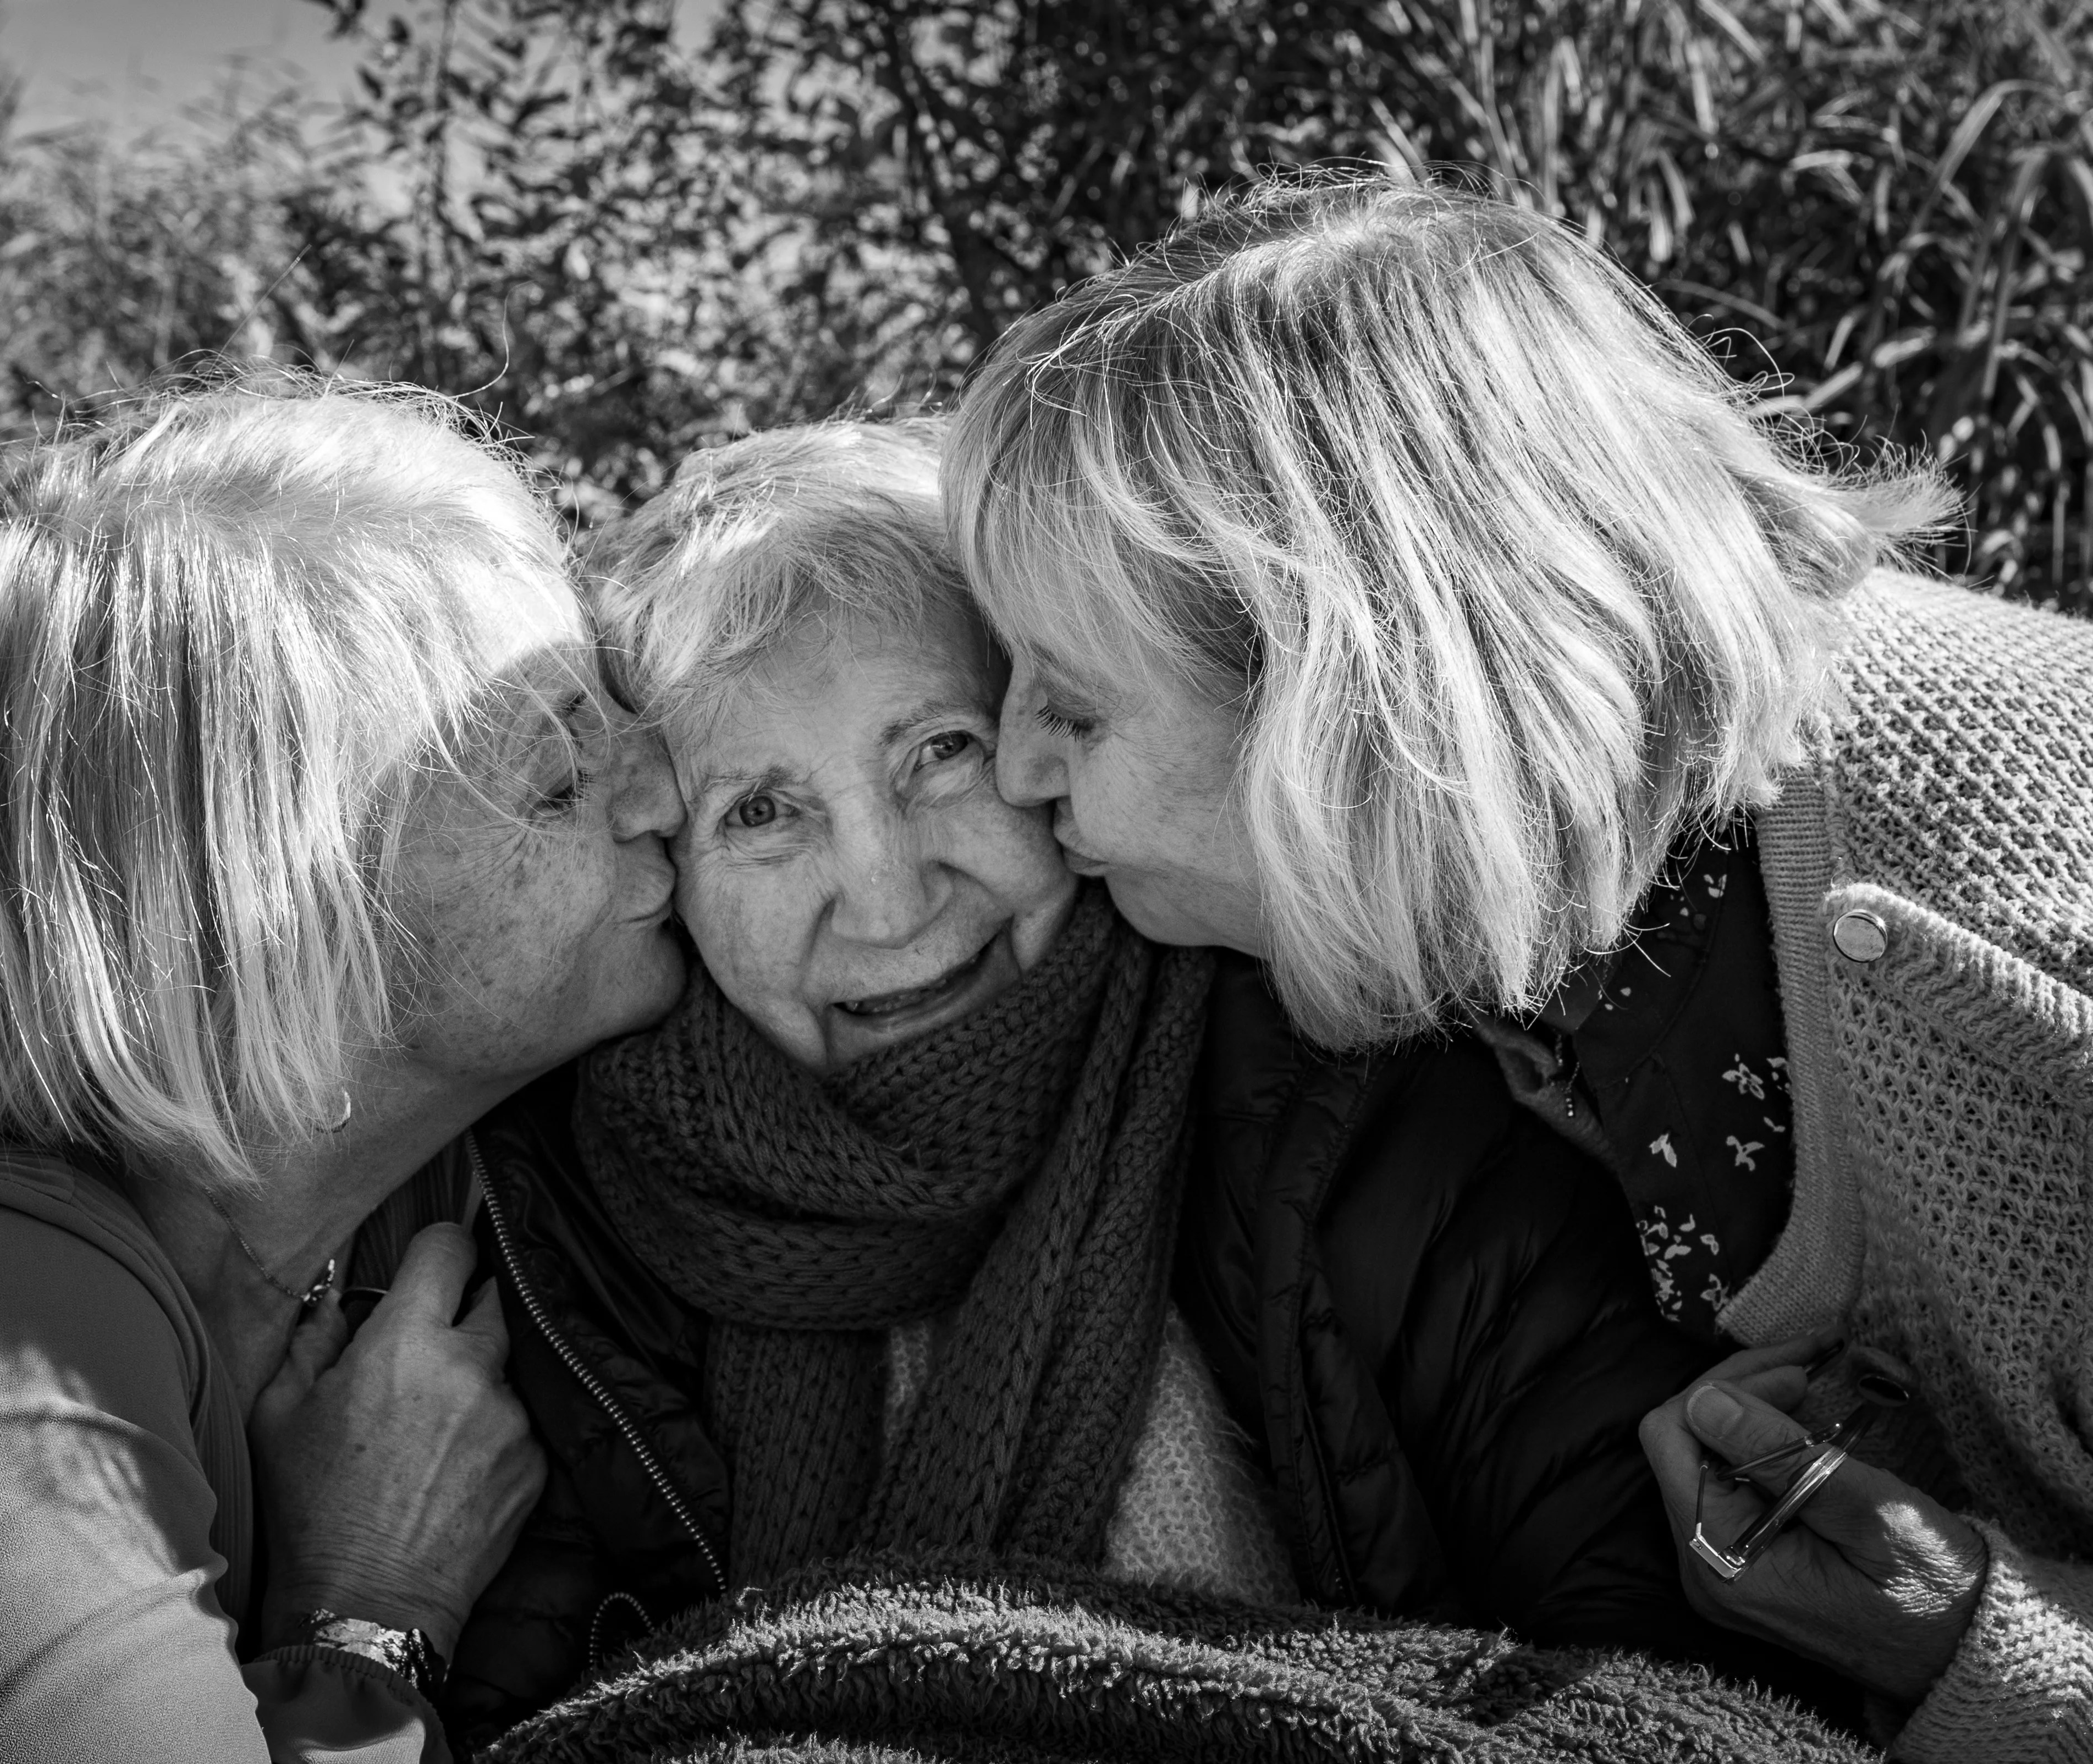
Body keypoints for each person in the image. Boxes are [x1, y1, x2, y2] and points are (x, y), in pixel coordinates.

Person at [395, 418, 1801, 1751]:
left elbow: (1668, 1684)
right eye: (759, 813)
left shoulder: (1354, 1083)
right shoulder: (569, 1230)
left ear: (1043, 735)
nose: (886, 898)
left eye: (938, 753)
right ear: (664, 866)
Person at [941, 170, 2093, 1755]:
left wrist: (1977, 1643)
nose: (1012, 773)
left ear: (1356, 704)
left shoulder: (2016, 942)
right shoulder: (1556, 926)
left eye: (1070, 704)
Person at [0, 375, 690, 1763]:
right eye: (557, 775)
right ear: (270, 905)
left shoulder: (395, 1200)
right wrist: (370, 1608)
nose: (662, 792)